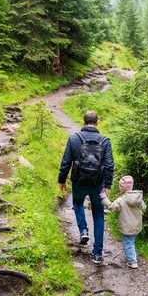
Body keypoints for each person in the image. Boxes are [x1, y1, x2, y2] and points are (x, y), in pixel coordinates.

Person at [58, 110, 114, 264]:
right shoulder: (105, 141)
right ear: (98, 122)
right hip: (98, 184)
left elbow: (66, 161)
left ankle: (83, 230)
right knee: (98, 215)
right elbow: (109, 165)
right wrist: (108, 185)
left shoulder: (74, 138)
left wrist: (62, 180)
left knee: (77, 203)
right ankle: (97, 254)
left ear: (83, 122)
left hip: (78, 182)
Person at [99, 175, 145, 269]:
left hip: (127, 226)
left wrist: (104, 198)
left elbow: (112, 207)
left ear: (121, 188)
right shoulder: (138, 198)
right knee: (131, 241)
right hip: (136, 225)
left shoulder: (121, 200)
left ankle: (132, 262)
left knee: (128, 243)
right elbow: (144, 208)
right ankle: (132, 256)